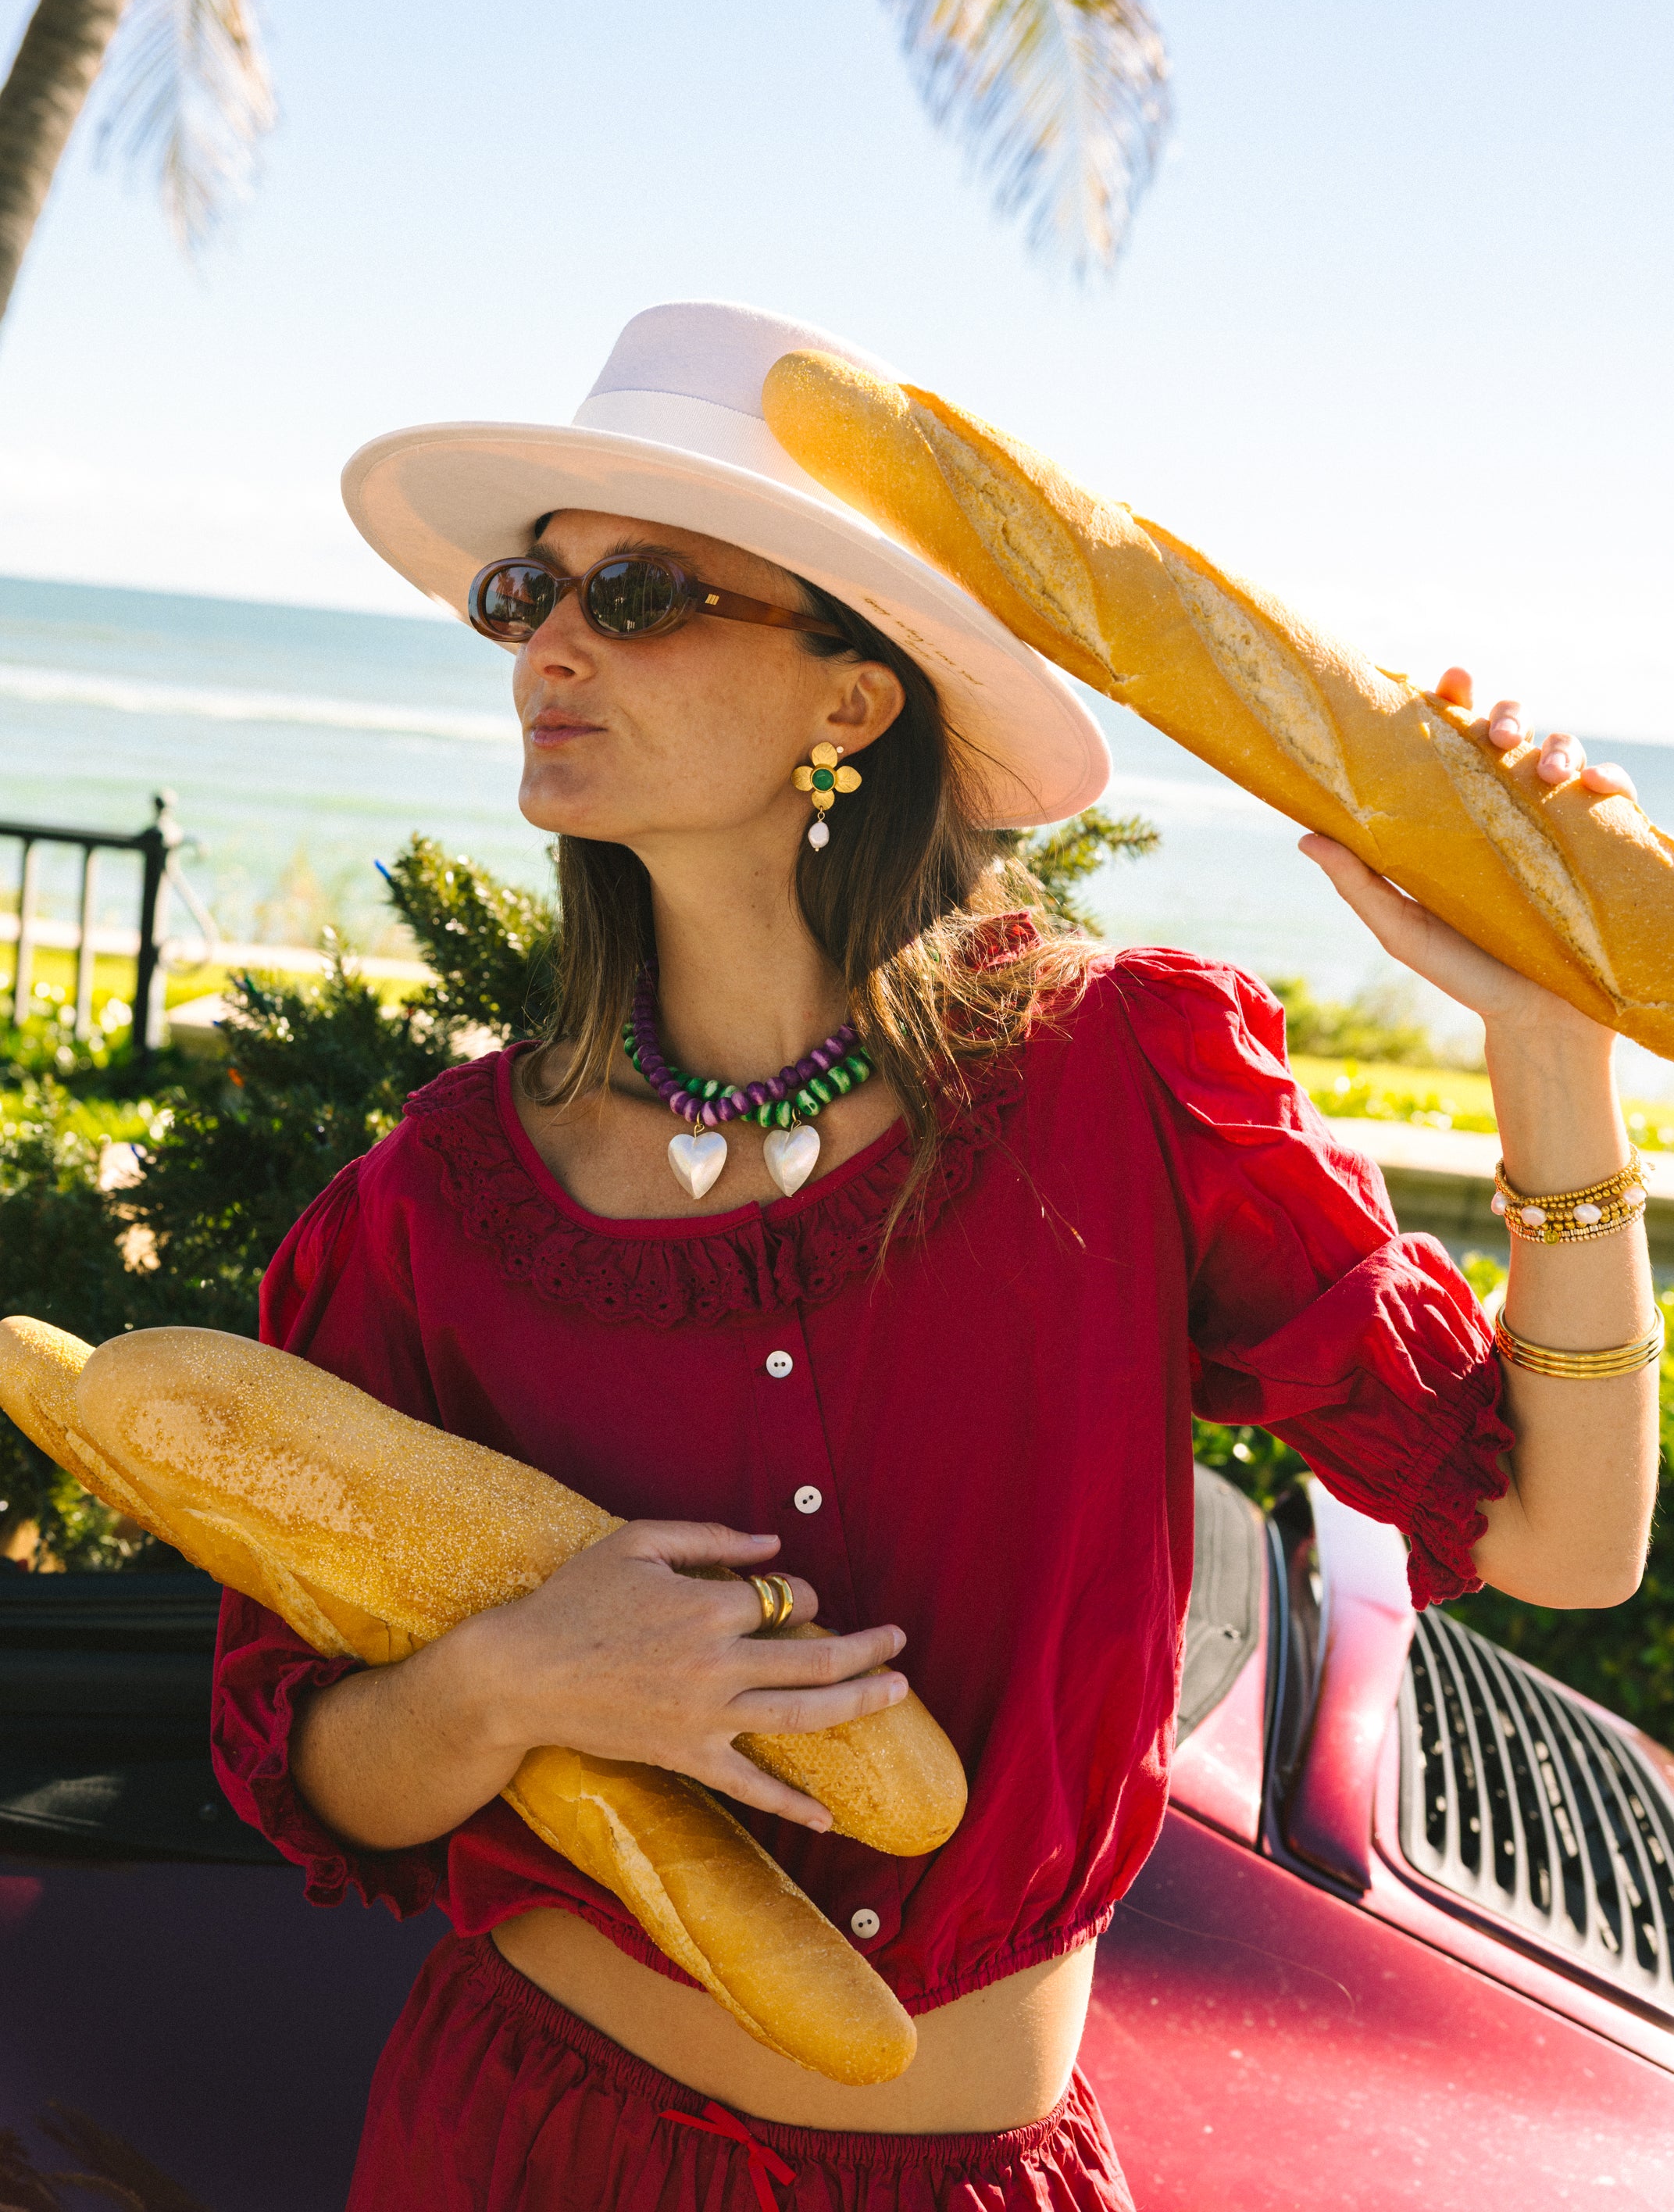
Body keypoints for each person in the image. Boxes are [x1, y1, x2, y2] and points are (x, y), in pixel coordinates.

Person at [211, 303, 1659, 2210]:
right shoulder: (434, 1210)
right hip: (522, 2145)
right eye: (520, 593)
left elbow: (1564, 1543)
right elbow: (303, 1767)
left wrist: (1549, 1043)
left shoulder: (1121, 1087)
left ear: (852, 698)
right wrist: (517, 1683)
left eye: (637, 592)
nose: (546, 647)